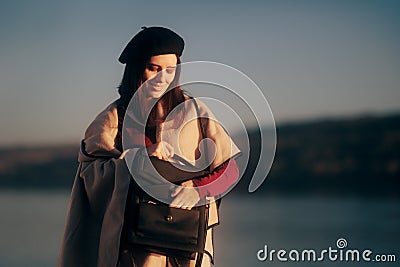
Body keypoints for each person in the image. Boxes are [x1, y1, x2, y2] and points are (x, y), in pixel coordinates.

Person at [58, 26, 240, 267]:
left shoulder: (196, 112)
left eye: (170, 70)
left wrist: (197, 190)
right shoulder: (114, 117)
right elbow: (90, 176)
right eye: (153, 68)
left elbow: (229, 169)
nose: (162, 77)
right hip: (134, 247)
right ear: (137, 69)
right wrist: (136, 159)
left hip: (187, 243)